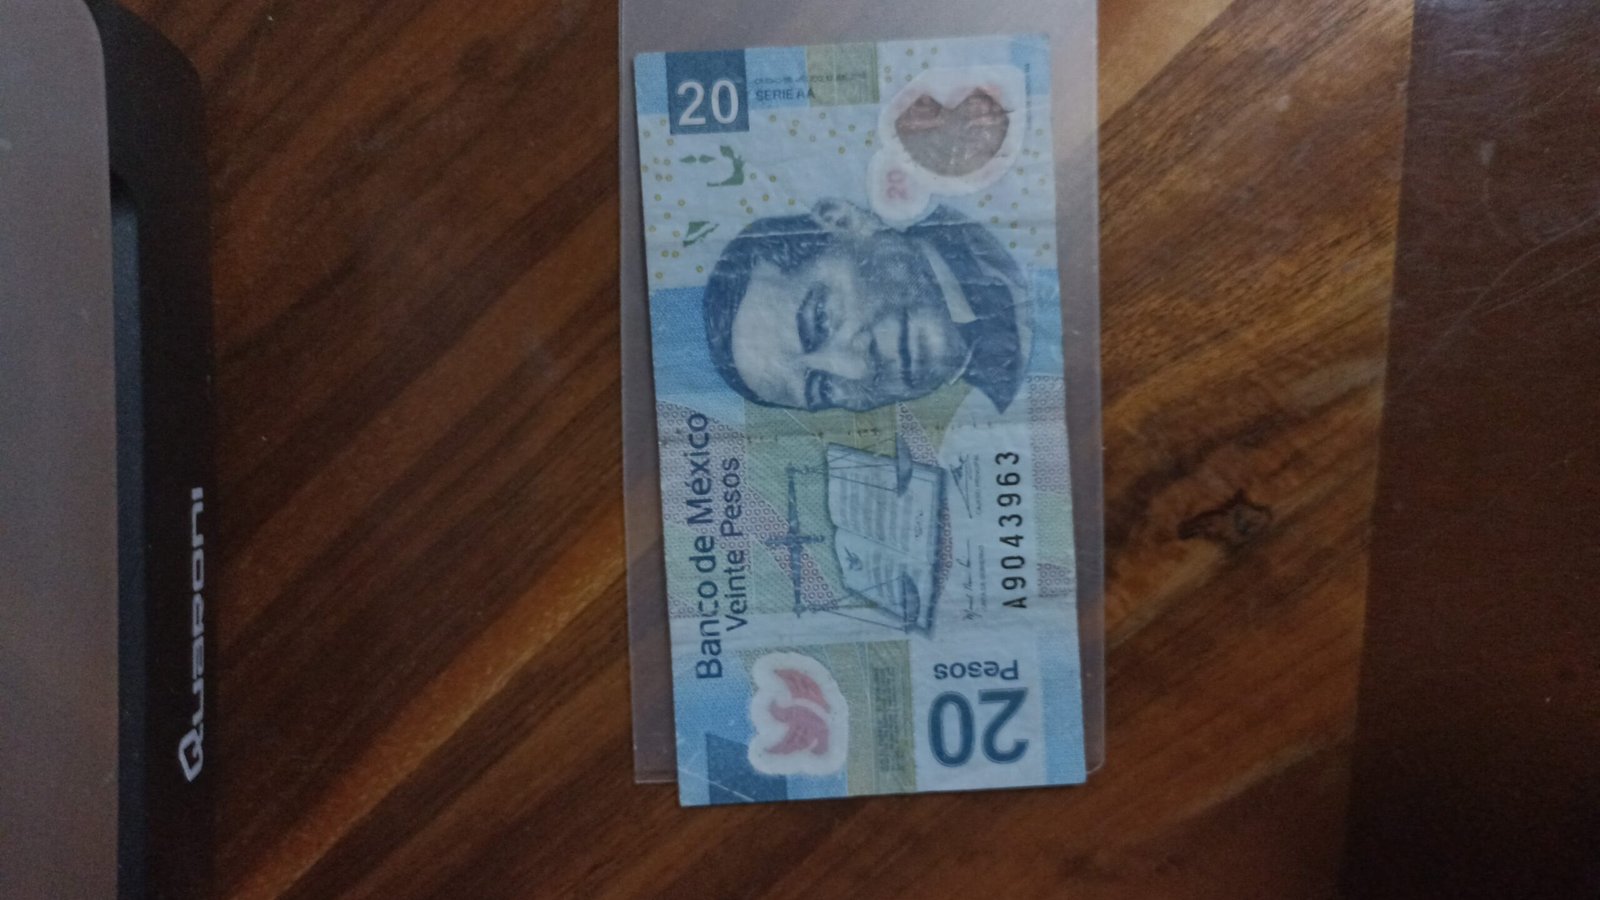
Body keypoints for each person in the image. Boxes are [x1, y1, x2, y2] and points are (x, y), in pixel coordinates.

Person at [702, 199, 1030, 413]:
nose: (857, 369)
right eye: (822, 388)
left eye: (820, 320)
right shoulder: (1003, 399)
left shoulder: (1004, 234)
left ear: (844, 222)